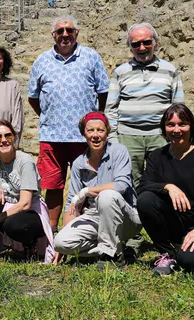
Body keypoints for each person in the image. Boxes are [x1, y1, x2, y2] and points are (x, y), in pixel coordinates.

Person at [27, 15, 109, 231]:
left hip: (85, 138)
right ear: (53, 35)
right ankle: (53, 231)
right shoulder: (42, 60)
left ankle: (86, 229)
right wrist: (50, 116)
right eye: (60, 31)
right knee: (53, 185)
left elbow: (103, 92)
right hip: (52, 136)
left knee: (89, 184)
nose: (65, 35)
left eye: (69, 30)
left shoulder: (91, 57)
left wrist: (93, 121)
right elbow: (33, 97)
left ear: (77, 33)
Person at [136, 104, 194, 276]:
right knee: (145, 200)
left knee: (189, 262)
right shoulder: (157, 157)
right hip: (177, 223)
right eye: (171, 124)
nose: (176, 129)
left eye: (182, 124)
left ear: (191, 126)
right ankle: (168, 253)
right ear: (164, 128)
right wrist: (168, 187)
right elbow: (142, 186)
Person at [52, 112, 141, 269]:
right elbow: (72, 201)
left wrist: (87, 191)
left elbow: (121, 186)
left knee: (106, 196)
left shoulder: (119, 151)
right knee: (60, 242)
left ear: (107, 132)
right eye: (90, 130)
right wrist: (64, 245)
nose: (95, 135)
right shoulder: (79, 163)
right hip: (95, 216)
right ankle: (109, 249)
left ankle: (114, 257)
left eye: (100, 130)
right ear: (83, 133)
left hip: (125, 216)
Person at [104, 22, 184, 185]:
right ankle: (134, 211)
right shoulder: (120, 72)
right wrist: (114, 140)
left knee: (164, 179)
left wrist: (175, 134)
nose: (142, 47)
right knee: (129, 182)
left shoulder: (170, 70)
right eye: (135, 44)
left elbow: (178, 107)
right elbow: (111, 109)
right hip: (128, 138)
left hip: (161, 136)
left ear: (155, 43)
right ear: (130, 47)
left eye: (146, 42)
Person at [0, 120, 55, 263]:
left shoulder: (25, 161)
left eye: (8, 136)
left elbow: (25, 203)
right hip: (6, 205)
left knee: (12, 225)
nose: (3, 140)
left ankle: (30, 244)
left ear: (14, 137)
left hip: (31, 211)